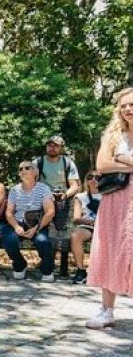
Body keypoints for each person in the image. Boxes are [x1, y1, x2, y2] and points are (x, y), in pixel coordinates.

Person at [85, 87, 133, 329]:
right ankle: (107, 310)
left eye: (132, 104)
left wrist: (123, 160)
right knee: (111, 247)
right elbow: (102, 165)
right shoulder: (113, 136)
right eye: (123, 105)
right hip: (116, 199)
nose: (127, 109)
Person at [0, 161, 56, 281]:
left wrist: (36, 229)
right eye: (20, 169)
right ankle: (20, 265)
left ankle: (47, 269)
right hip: (18, 223)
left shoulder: (44, 189)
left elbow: (50, 211)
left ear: (36, 172)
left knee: (42, 241)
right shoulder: (15, 190)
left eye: (27, 168)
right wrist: (16, 227)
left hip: (37, 224)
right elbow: (9, 212)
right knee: (9, 240)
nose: (23, 170)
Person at [35, 135, 80, 229]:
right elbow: (30, 183)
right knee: (41, 228)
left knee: (62, 229)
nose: (52, 148)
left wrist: (65, 195)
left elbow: (74, 185)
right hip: (42, 199)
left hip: (61, 199)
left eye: (56, 146)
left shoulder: (67, 163)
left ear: (61, 148)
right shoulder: (38, 162)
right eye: (50, 145)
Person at [70, 171, 102, 284]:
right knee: (75, 236)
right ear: (86, 180)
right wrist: (91, 222)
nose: (93, 180)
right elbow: (76, 218)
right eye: (90, 177)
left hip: (105, 226)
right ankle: (81, 270)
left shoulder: (108, 195)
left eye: (97, 177)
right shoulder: (80, 197)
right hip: (87, 226)